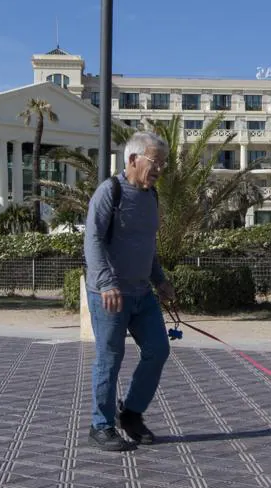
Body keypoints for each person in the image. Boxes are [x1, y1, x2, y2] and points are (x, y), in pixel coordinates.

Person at [83, 131, 177, 451]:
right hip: (109, 294)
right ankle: (101, 425)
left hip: (141, 292)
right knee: (110, 358)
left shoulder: (152, 196)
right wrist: (106, 282)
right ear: (133, 159)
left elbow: (147, 246)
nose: (160, 168)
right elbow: (92, 240)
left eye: (163, 163)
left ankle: (132, 414)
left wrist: (160, 280)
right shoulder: (110, 191)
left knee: (158, 350)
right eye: (155, 161)